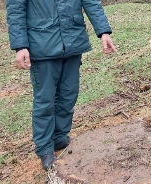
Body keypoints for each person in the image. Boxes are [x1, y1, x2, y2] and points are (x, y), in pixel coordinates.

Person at [6, 0, 117, 171]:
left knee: (69, 93)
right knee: (45, 100)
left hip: (73, 41)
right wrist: (20, 46)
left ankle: (59, 136)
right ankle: (44, 147)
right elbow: (15, 10)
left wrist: (103, 31)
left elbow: (91, 2)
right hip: (41, 44)